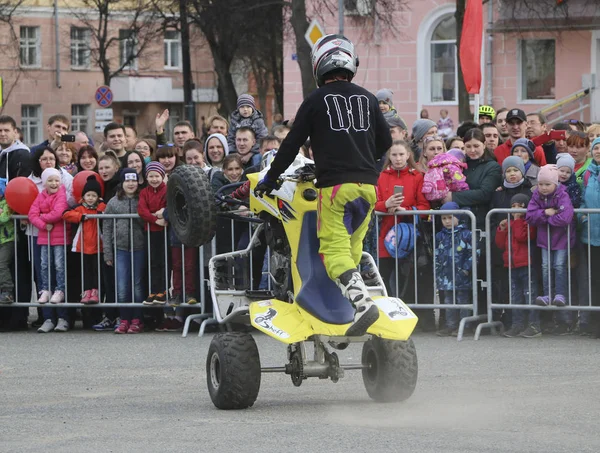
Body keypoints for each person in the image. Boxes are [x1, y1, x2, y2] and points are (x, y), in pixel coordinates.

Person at [255, 34, 392, 336]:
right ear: (350, 63)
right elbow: (386, 142)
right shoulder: (368, 98)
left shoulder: (315, 100)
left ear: (319, 66)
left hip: (335, 189)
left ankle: (361, 301)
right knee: (352, 248)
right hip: (367, 188)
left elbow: (291, 145)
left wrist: (270, 178)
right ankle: (346, 312)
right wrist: (370, 167)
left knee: (331, 251)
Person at [374, 141, 430, 323]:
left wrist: (406, 209)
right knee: (385, 276)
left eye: (401, 155)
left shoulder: (417, 177)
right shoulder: (381, 176)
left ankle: (410, 318)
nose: (398, 159)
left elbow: (424, 206)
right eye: (394, 155)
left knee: (407, 278)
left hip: (409, 235)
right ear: (389, 157)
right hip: (386, 234)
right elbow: (374, 203)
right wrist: (386, 205)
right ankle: (386, 318)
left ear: (408, 156)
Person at [526, 165, 575, 311]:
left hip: (562, 239)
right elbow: (530, 216)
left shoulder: (563, 195)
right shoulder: (536, 196)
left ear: (555, 183)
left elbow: (565, 217)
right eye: (540, 184)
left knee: (559, 266)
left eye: (547, 184)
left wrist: (544, 220)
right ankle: (547, 294)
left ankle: (560, 293)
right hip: (544, 239)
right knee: (546, 266)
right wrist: (546, 214)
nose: (543, 188)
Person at [103, 168, 146, 334]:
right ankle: (124, 318)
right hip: (120, 248)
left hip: (139, 247)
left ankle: (137, 319)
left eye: (133, 180)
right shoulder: (113, 202)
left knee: (137, 285)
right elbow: (106, 227)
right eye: (127, 181)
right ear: (122, 183)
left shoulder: (141, 200)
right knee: (122, 286)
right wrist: (108, 251)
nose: (130, 184)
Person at [29, 168, 70, 332]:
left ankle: (60, 291)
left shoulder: (62, 194)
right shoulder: (40, 196)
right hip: (44, 237)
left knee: (59, 266)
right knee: (44, 266)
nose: (54, 183)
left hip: (59, 238)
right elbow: (32, 214)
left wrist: (41, 217)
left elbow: (59, 212)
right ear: (44, 183)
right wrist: (42, 224)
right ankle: (45, 290)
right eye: (50, 181)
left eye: (56, 180)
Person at [495, 193, 540, 338]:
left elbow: (522, 237)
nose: (516, 210)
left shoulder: (528, 223)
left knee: (529, 295)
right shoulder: (510, 224)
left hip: (526, 264)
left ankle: (534, 325)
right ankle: (517, 325)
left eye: (520, 207)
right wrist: (501, 229)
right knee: (515, 296)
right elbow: (500, 244)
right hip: (512, 265)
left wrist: (517, 220)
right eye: (513, 206)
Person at [63, 175, 106, 304]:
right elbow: (66, 214)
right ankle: (87, 291)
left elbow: (106, 210)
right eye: (88, 195)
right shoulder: (80, 208)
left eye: (94, 195)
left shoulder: (101, 207)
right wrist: (80, 217)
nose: (91, 198)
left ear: (98, 197)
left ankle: (95, 292)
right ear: (83, 196)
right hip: (83, 245)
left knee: (96, 270)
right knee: (86, 270)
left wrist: (101, 206)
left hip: (98, 245)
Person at [435, 202, 476, 336]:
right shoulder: (440, 236)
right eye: (444, 218)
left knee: (462, 300)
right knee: (448, 301)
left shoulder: (467, 234)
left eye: (450, 218)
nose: (447, 221)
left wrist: (466, 269)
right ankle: (450, 325)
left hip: (461, 275)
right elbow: (436, 254)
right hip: (446, 275)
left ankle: (465, 325)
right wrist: (438, 269)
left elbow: (474, 253)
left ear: (458, 217)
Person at [138, 162, 168, 306]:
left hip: (165, 232)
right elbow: (142, 211)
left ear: (162, 176)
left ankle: (163, 290)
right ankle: (153, 290)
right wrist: (156, 220)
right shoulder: (144, 192)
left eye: (157, 176)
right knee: (152, 262)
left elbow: (169, 206)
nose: (154, 179)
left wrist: (163, 215)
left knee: (163, 261)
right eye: (151, 176)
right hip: (151, 231)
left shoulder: (167, 190)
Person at [579, 137, 600, 338]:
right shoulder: (588, 174)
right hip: (592, 235)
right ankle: (595, 323)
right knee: (595, 280)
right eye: (596, 148)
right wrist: (583, 215)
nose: (598, 151)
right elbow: (584, 199)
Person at [0, 179, 14, 304]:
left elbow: (4, 218)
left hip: (7, 240)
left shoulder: (7, 203)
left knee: (2, 264)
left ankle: (7, 291)